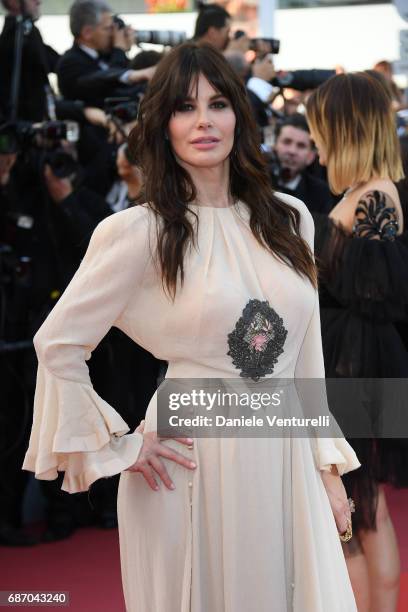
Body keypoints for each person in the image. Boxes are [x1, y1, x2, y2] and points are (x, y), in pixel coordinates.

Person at [23, 43, 360, 611]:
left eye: (219, 104)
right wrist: (119, 448)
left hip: (283, 458)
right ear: (163, 125)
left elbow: (307, 356)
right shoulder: (139, 231)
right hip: (189, 464)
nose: (204, 120)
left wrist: (328, 469)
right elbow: (56, 344)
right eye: (185, 108)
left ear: (239, 118)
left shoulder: (289, 218)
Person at [307, 72, 407, 612]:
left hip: (357, 375)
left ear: (344, 129)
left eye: (320, 129)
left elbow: (378, 298)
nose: (316, 141)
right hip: (356, 370)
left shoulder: (374, 197)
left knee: (358, 511)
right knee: (363, 510)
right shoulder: (364, 193)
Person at [57, 0, 155, 109]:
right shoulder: (70, 63)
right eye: (108, 29)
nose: (113, 34)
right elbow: (112, 86)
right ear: (87, 33)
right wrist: (119, 50)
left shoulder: (106, 55)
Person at [0, 0, 60, 121]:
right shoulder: (11, 41)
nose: (39, 2)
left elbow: (56, 62)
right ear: (13, 2)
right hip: (26, 127)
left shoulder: (30, 32)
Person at [272, 113, 335, 213]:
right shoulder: (255, 179)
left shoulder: (320, 194)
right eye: (287, 142)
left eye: (301, 146)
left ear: (311, 156)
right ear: (274, 144)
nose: (292, 151)